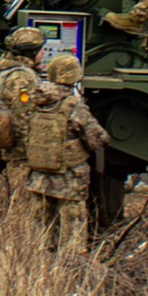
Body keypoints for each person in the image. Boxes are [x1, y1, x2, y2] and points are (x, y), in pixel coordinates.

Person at [23, 54, 110, 256]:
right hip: (69, 178)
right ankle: (71, 276)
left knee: (40, 237)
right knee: (73, 233)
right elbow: (97, 139)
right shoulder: (73, 106)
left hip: (39, 177)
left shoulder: (34, 101)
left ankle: (40, 273)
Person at [0, 25, 48, 215]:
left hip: (19, 151)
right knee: (24, 203)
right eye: (41, 50)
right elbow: (24, 116)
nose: (44, 53)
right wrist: (36, 149)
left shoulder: (16, 72)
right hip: (21, 153)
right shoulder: (21, 78)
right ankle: (22, 239)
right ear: (31, 53)